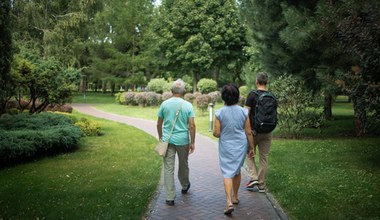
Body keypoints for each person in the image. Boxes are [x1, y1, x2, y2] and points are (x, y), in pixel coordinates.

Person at [213, 84, 254, 215]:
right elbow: (248, 132)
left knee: (227, 172)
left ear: (223, 97)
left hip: (226, 145)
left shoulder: (219, 113)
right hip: (241, 145)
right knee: (236, 170)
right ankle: (236, 197)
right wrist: (251, 147)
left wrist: (220, 131)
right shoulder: (244, 111)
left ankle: (229, 202)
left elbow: (216, 133)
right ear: (237, 96)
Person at [157, 79, 196, 206]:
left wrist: (161, 137)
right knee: (184, 164)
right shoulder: (188, 105)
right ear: (183, 91)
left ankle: (169, 197)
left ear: (171, 91)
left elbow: (159, 123)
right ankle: (185, 185)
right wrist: (192, 142)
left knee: (168, 168)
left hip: (167, 140)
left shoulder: (164, 104)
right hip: (183, 140)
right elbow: (192, 126)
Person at [245, 72, 273, 193]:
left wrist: (245, 129)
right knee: (264, 158)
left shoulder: (252, 95)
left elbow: (245, 113)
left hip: (253, 131)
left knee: (249, 154)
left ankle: (253, 177)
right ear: (266, 82)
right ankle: (261, 185)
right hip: (267, 131)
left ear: (257, 82)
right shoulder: (271, 95)